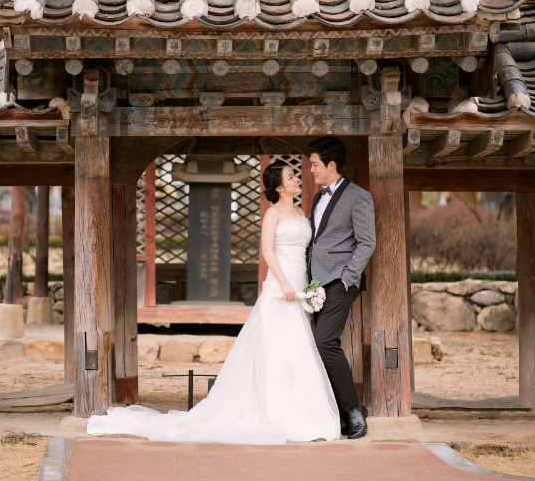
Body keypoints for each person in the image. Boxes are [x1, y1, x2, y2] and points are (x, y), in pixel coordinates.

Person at [87, 161, 341, 444]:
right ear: (279, 187)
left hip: (300, 284)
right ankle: (275, 412)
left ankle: (302, 413)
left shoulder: (299, 211)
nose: (297, 179)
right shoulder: (273, 213)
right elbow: (268, 250)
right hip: (281, 287)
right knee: (277, 346)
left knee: (299, 347)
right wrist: (283, 283)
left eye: (295, 175)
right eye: (291, 177)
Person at [307, 136, 376, 439]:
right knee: (316, 347)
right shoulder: (317, 198)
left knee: (325, 343)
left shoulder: (358, 196)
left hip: (340, 282)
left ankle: (354, 409)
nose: (310, 170)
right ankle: (341, 413)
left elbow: (367, 241)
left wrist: (348, 277)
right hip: (315, 285)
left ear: (330, 164)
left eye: (314, 164)